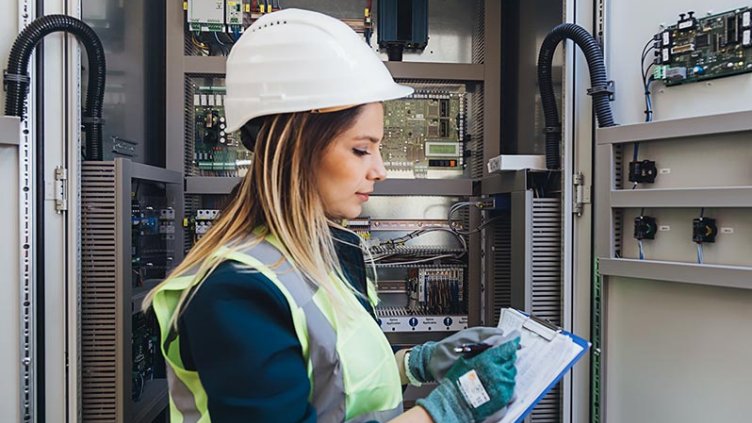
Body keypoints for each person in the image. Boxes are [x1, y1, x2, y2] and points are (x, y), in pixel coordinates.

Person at [144, 8, 519, 423]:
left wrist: (415, 363)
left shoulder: (321, 257)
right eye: (361, 149)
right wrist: (445, 411)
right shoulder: (236, 292)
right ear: (298, 148)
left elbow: (334, 383)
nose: (378, 170)